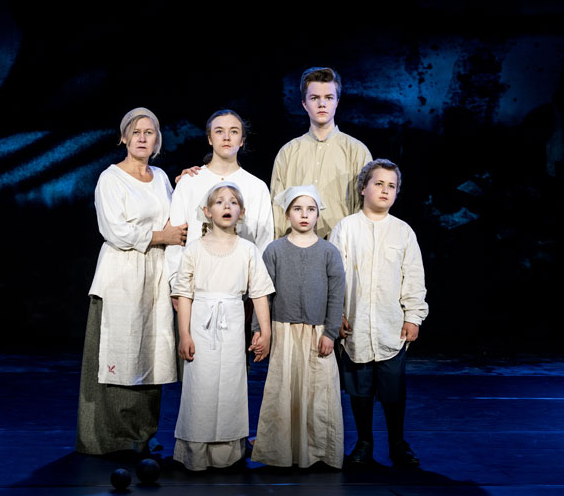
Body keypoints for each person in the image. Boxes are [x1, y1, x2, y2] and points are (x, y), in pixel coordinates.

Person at [76, 107, 187, 456]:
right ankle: (110, 437)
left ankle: (143, 434)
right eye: (135, 131)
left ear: (157, 140)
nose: (142, 138)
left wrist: (189, 185)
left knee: (151, 354)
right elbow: (115, 230)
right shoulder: (111, 178)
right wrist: (162, 236)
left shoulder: (161, 177)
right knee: (120, 354)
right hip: (122, 274)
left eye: (149, 132)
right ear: (124, 137)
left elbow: (175, 218)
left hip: (155, 275)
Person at [329, 159, 428, 467]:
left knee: (393, 389)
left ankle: (397, 442)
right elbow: (335, 276)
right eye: (379, 184)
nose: (385, 190)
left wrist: (413, 316)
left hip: (390, 327)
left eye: (391, 186)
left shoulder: (403, 232)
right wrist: (336, 314)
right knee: (359, 388)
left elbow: (413, 277)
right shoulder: (346, 228)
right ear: (363, 188)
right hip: (355, 326)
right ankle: (364, 442)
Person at [171, 182, 274, 471]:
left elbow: (260, 293)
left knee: (231, 383)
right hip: (201, 322)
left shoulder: (248, 250)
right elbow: (184, 294)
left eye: (233, 202)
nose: (226, 206)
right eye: (219, 202)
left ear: (242, 212)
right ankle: (196, 452)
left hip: (232, 321)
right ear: (207, 211)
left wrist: (265, 332)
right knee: (200, 385)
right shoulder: (194, 249)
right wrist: (184, 334)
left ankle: (227, 453)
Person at [250, 185, 346, 469]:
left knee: (319, 392)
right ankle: (281, 450)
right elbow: (262, 294)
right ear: (287, 214)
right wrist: (259, 330)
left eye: (310, 209)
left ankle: (318, 450)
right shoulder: (274, 250)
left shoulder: (329, 252)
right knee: (284, 390)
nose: (304, 215)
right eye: (297, 209)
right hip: (284, 331)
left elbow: (336, 295)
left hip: (318, 333)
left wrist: (330, 333)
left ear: (318, 214)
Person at [165, 110, 273, 290]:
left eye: (234, 131)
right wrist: (176, 282)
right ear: (209, 138)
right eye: (219, 131)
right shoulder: (189, 182)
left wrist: (255, 288)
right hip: (193, 285)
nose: (226, 137)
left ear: (242, 140)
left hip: (240, 287)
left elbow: (264, 241)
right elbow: (176, 238)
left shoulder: (256, 187)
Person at [270, 66, 372, 239]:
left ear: (337, 101)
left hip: (341, 246)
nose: (322, 104)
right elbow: (277, 209)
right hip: (296, 247)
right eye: (314, 98)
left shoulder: (357, 151)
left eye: (329, 97)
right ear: (304, 104)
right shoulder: (287, 152)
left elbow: (365, 208)